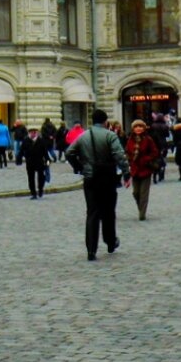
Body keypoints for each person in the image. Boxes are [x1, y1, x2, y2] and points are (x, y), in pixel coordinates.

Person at [67, 108, 129, 260]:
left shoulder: (83, 136)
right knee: (108, 211)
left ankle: (91, 250)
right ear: (105, 121)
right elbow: (119, 155)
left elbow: (69, 152)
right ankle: (110, 241)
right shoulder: (110, 135)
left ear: (92, 121)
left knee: (92, 213)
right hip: (108, 177)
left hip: (90, 177)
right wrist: (126, 172)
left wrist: (79, 167)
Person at [124, 118, 160, 220]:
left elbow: (155, 152)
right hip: (135, 170)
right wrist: (129, 159)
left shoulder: (148, 139)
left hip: (145, 169)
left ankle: (142, 214)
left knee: (144, 193)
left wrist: (146, 159)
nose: (138, 128)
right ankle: (141, 208)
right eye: (136, 126)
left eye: (140, 126)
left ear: (144, 128)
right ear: (133, 128)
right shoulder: (130, 139)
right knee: (136, 193)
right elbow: (127, 151)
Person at [19, 125, 52, 198]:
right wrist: (19, 159)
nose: (33, 134)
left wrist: (48, 163)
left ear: (37, 133)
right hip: (30, 162)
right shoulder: (26, 141)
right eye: (31, 132)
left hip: (39, 162)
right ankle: (33, 193)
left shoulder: (41, 141)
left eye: (34, 132)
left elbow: (45, 153)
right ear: (29, 133)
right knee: (31, 178)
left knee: (41, 177)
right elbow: (21, 151)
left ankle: (40, 190)